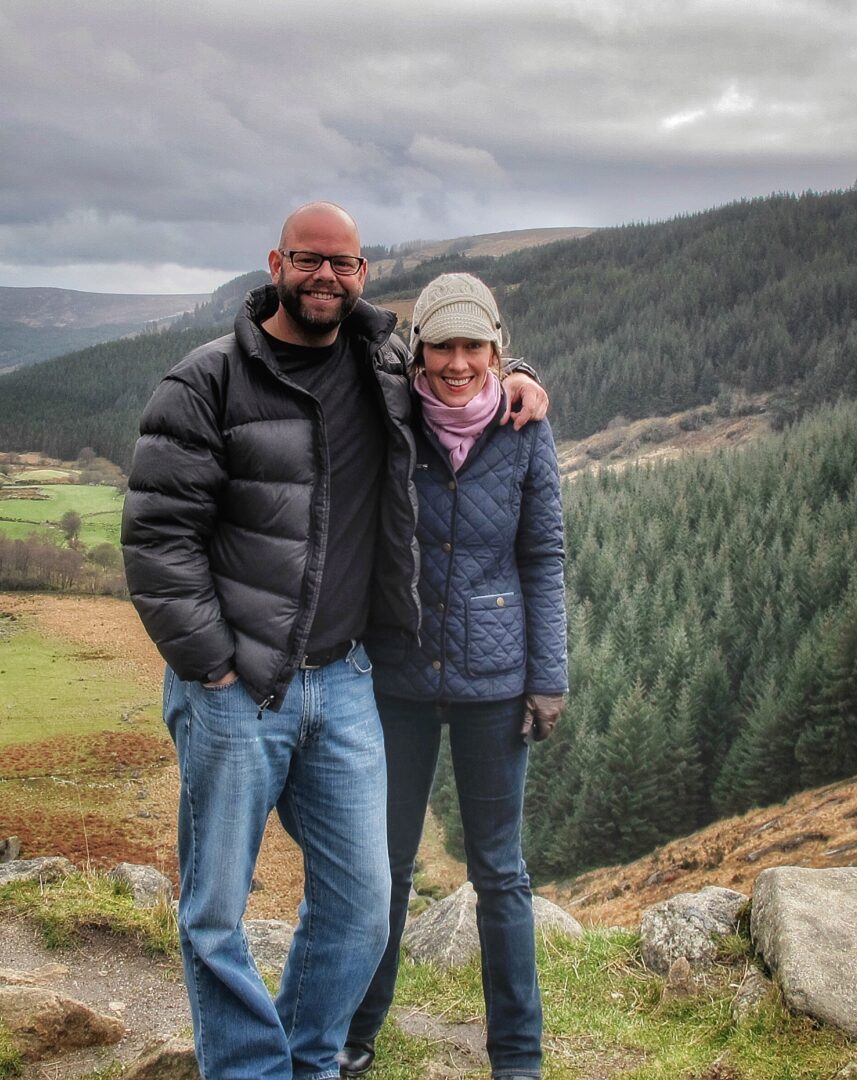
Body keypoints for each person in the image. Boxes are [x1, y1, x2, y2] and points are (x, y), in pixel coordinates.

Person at [122, 204, 549, 1080]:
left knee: (363, 904)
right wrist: (212, 664)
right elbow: (158, 541)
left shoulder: (379, 365)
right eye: (308, 261)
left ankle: (312, 1057)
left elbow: (457, 372)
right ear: (277, 262)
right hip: (238, 687)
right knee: (216, 910)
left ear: (362, 274)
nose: (325, 277)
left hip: (348, 681)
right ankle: (253, 1069)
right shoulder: (205, 382)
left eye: (343, 264)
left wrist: (523, 378)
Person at [340, 273, 568, 1079]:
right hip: (396, 673)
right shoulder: (392, 416)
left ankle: (517, 1057)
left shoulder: (524, 427)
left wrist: (549, 678)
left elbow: (543, 556)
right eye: (444, 345)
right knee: (386, 866)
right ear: (421, 352)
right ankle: (357, 1036)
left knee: (500, 872)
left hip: (495, 679)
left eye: (476, 346)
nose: (459, 362)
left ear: (498, 350)